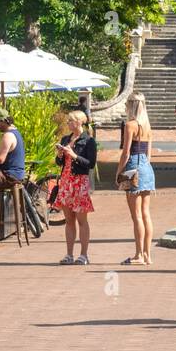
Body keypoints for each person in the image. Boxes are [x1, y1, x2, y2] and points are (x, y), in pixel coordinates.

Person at [116, 93, 156, 265]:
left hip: (133, 167)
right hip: (146, 167)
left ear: (131, 106)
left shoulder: (130, 125)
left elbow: (126, 153)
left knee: (136, 215)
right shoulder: (147, 125)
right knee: (146, 214)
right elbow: (148, 153)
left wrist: (119, 173)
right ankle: (147, 255)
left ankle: (139, 255)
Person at [55, 110, 97, 265]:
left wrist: (73, 155)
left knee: (81, 220)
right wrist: (60, 155)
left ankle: (84, 254)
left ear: (79, 122)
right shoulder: (66, 139)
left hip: (79, 182)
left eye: (70, 121)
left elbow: (90, 164)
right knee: (69, 220)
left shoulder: (88, 141)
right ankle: (69, 254)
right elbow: (59, 163)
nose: (68, 124)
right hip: (66, 182)